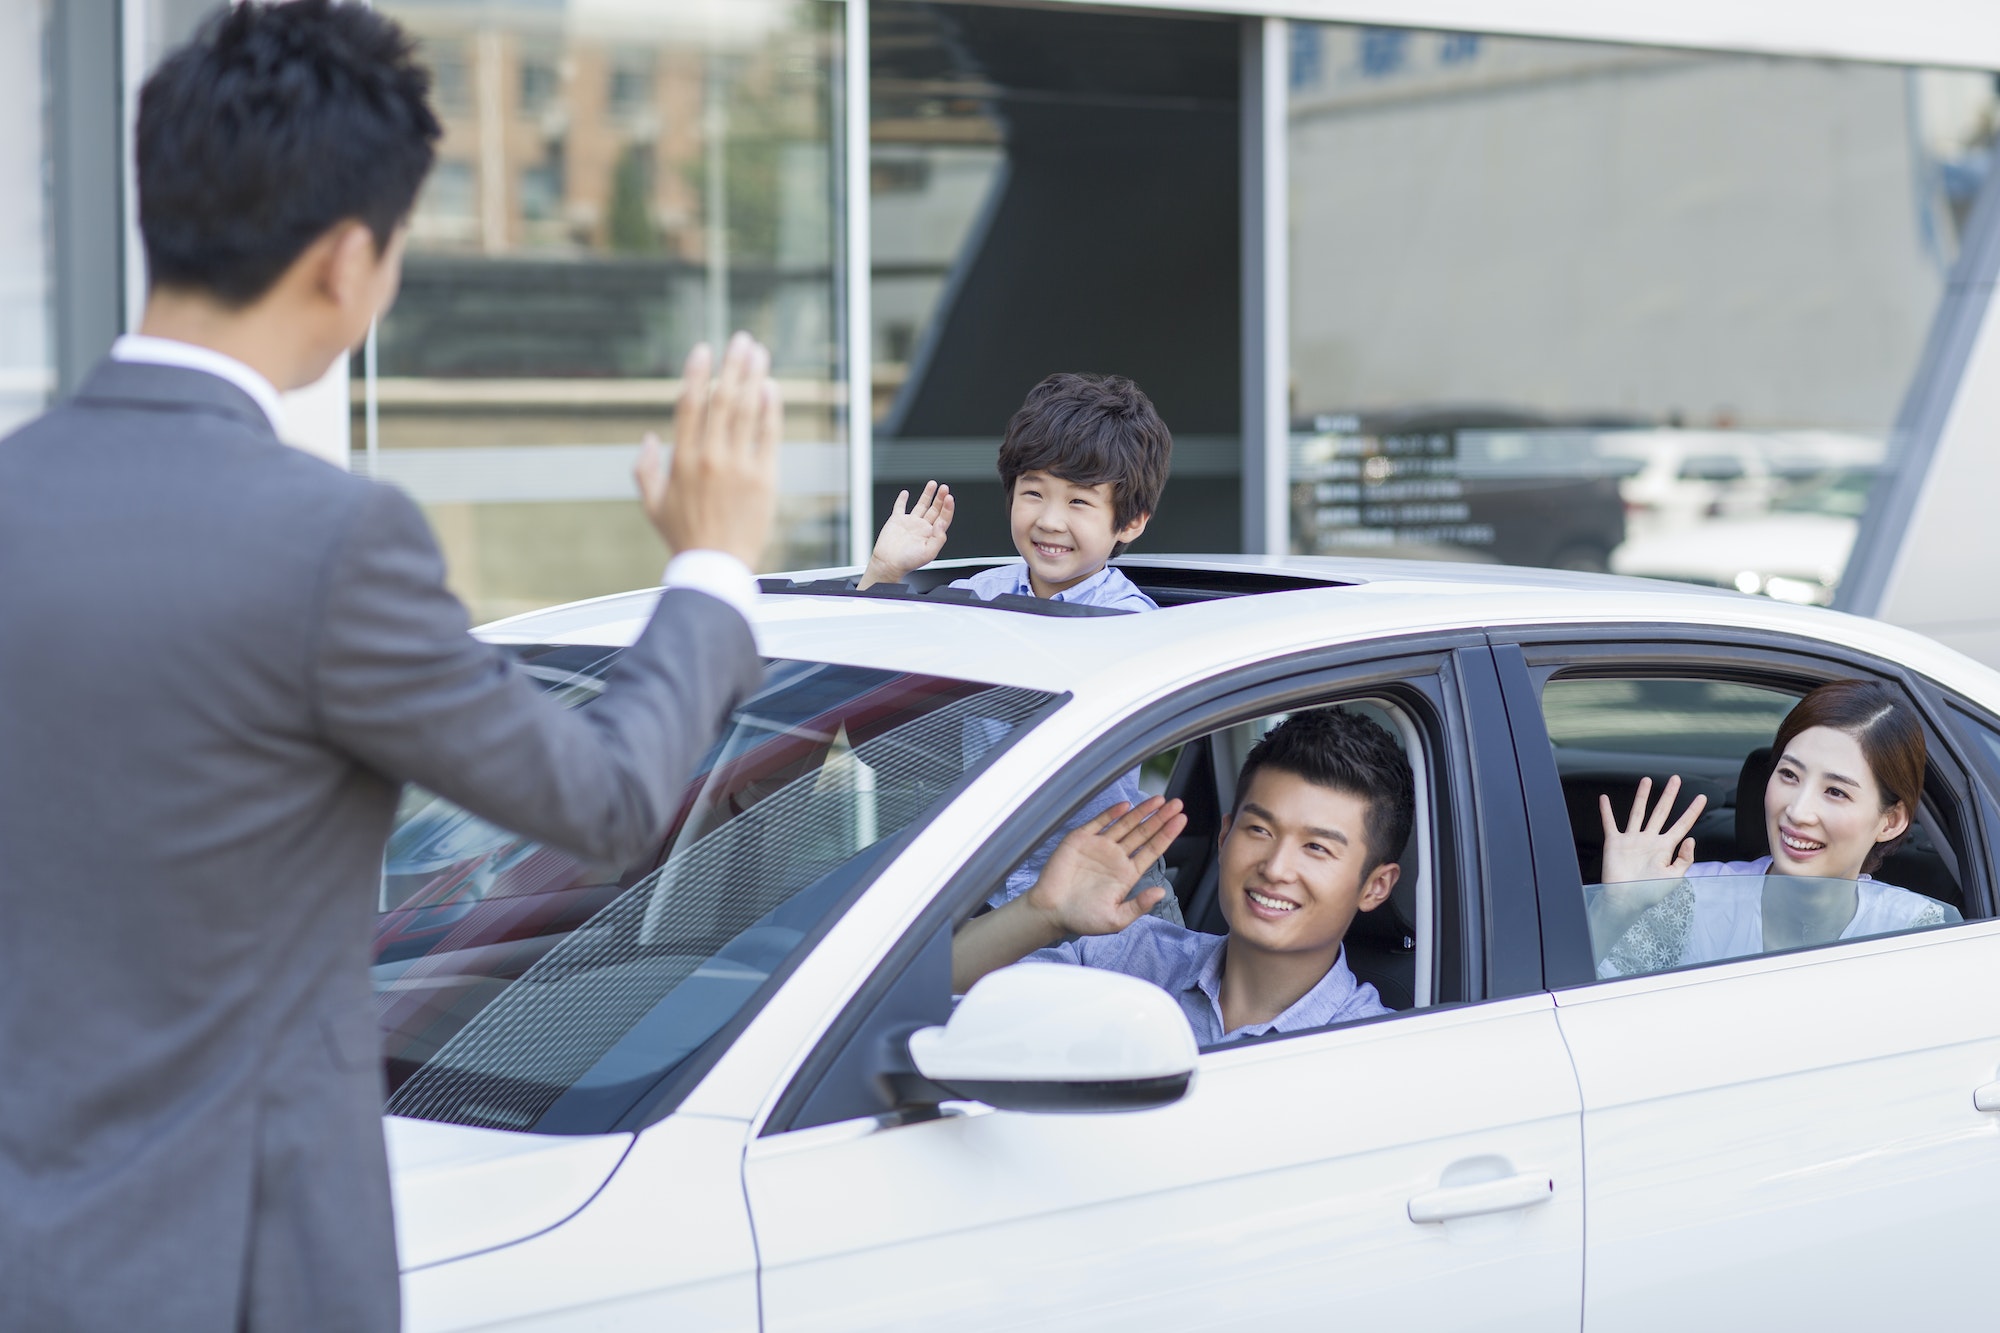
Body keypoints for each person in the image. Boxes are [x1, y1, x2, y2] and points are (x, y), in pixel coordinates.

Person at [0, 5, 777, 1330]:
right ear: (350, 257)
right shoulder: (329, 540)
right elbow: (601, 800)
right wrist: (711, 566)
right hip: (237, 1280)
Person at [863, 372, 1176, 914]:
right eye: (1034, 492)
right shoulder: (978, 595)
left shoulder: (1128, 622)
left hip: (1101, 890)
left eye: (1079, 502)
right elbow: (874, 678)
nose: (1050, 520)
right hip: (984, 884)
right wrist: (884, 572)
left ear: (1131, 522)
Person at [952, 708, 1411, 1045]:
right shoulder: (1135, 957)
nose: (1275, 868)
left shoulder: (1376, 1050)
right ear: (1224, 836)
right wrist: (1042, 913)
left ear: (1376, 886)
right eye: (1260, 830)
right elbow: (930, 995)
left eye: (1316, 848)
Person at [1592, 679, 1951, 979]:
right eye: (1789, 775)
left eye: (1835, 792)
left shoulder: (1918, 929)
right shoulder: (1686, 898)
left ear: (1891, 821)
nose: (1797, 811)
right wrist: (1614, 909)